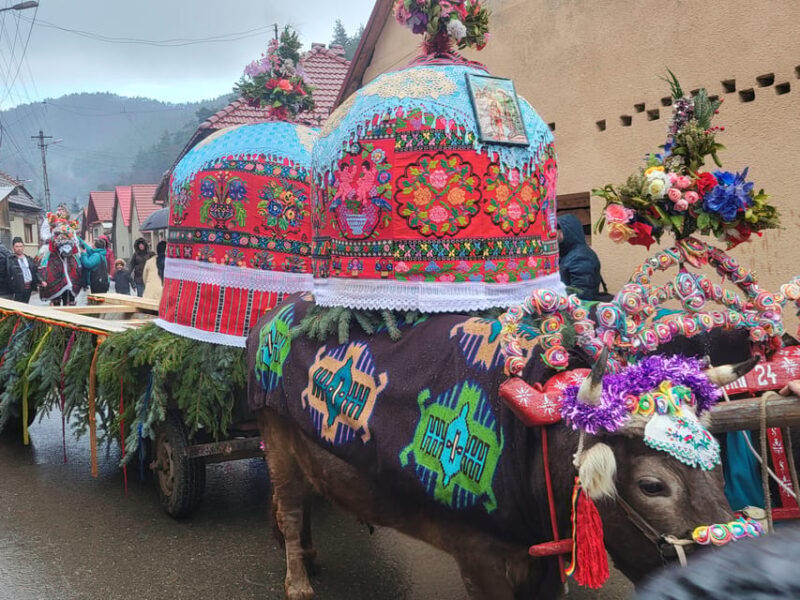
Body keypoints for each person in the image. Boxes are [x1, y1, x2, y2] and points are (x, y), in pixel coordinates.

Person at [557, 213, 603, 301]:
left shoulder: (581, 257)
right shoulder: (566, 253)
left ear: (568, 231)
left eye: (559, 230)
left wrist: (553, 294)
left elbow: (581, 292)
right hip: (572, 304)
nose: (555, 234)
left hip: (581, 307)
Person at [7, 237, 39, 303]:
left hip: (29, 288)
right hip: (17, 290)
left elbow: (35, 271)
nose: (19, 248)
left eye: (21, 246)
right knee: (17, 306)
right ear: (13, 247)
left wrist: (41, 281)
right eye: (17, 246)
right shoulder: (10, 259)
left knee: (26, 305)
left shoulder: (28, 259)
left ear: (23, 247)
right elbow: (8, 274)